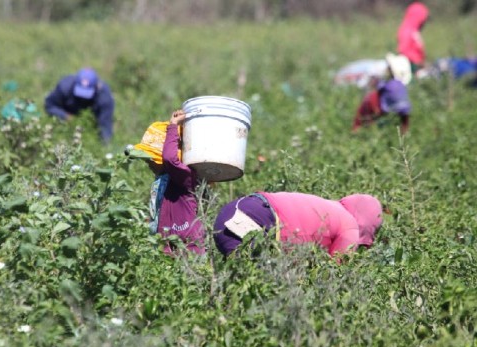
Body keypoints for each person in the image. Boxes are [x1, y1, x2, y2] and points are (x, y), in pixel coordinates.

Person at [126, 110, 205, 255]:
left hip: (188, 249)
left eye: (150, 158)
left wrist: (173, 126)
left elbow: (169, 159)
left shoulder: (184, 176)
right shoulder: (163, 178)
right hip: (169, 248)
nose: (147, 162)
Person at [213, 192, 383, 258]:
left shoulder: (330, 206)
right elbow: (335, 274)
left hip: (232, 211)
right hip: (260, 221)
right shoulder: (350, 226)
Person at [44, 67, 114, 145]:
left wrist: (105, 145)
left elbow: (105, 124)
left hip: (91, 127)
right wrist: (66, 116)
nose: (83, 99)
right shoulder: (64, 87)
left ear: (96, 88)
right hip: (64, 124)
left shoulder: (104, 98)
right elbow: (49, 106)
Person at [351, 53, 412, 134]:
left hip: (375, 125)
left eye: (389, 67)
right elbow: (404, 118)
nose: (386, 68)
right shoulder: (401, 89)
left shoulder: (387, 88)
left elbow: (371, 114)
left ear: (391, 70)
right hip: (392, 130)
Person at [397, 2, 429, 73]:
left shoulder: (414, 31)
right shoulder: (406, 30)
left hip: (417, 66)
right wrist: (418, 64)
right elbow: (403, 51)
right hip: (411, 68)